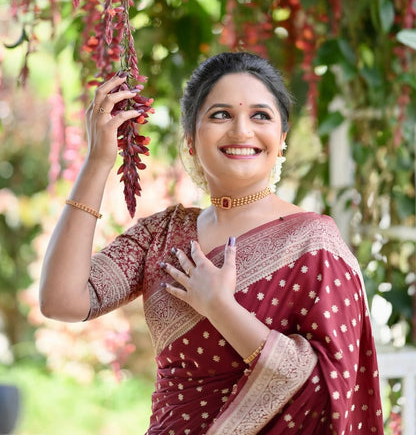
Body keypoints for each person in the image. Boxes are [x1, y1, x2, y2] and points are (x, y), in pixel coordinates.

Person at [40, 52, 384, 434]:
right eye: (221, 114)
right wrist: (98, 161)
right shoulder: (163, 233)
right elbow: (63, 301)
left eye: (261, 116)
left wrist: (221, 307)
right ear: (190, 139)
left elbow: (334, 389)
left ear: (281, 139)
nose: (241, 131)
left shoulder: (314, 243)